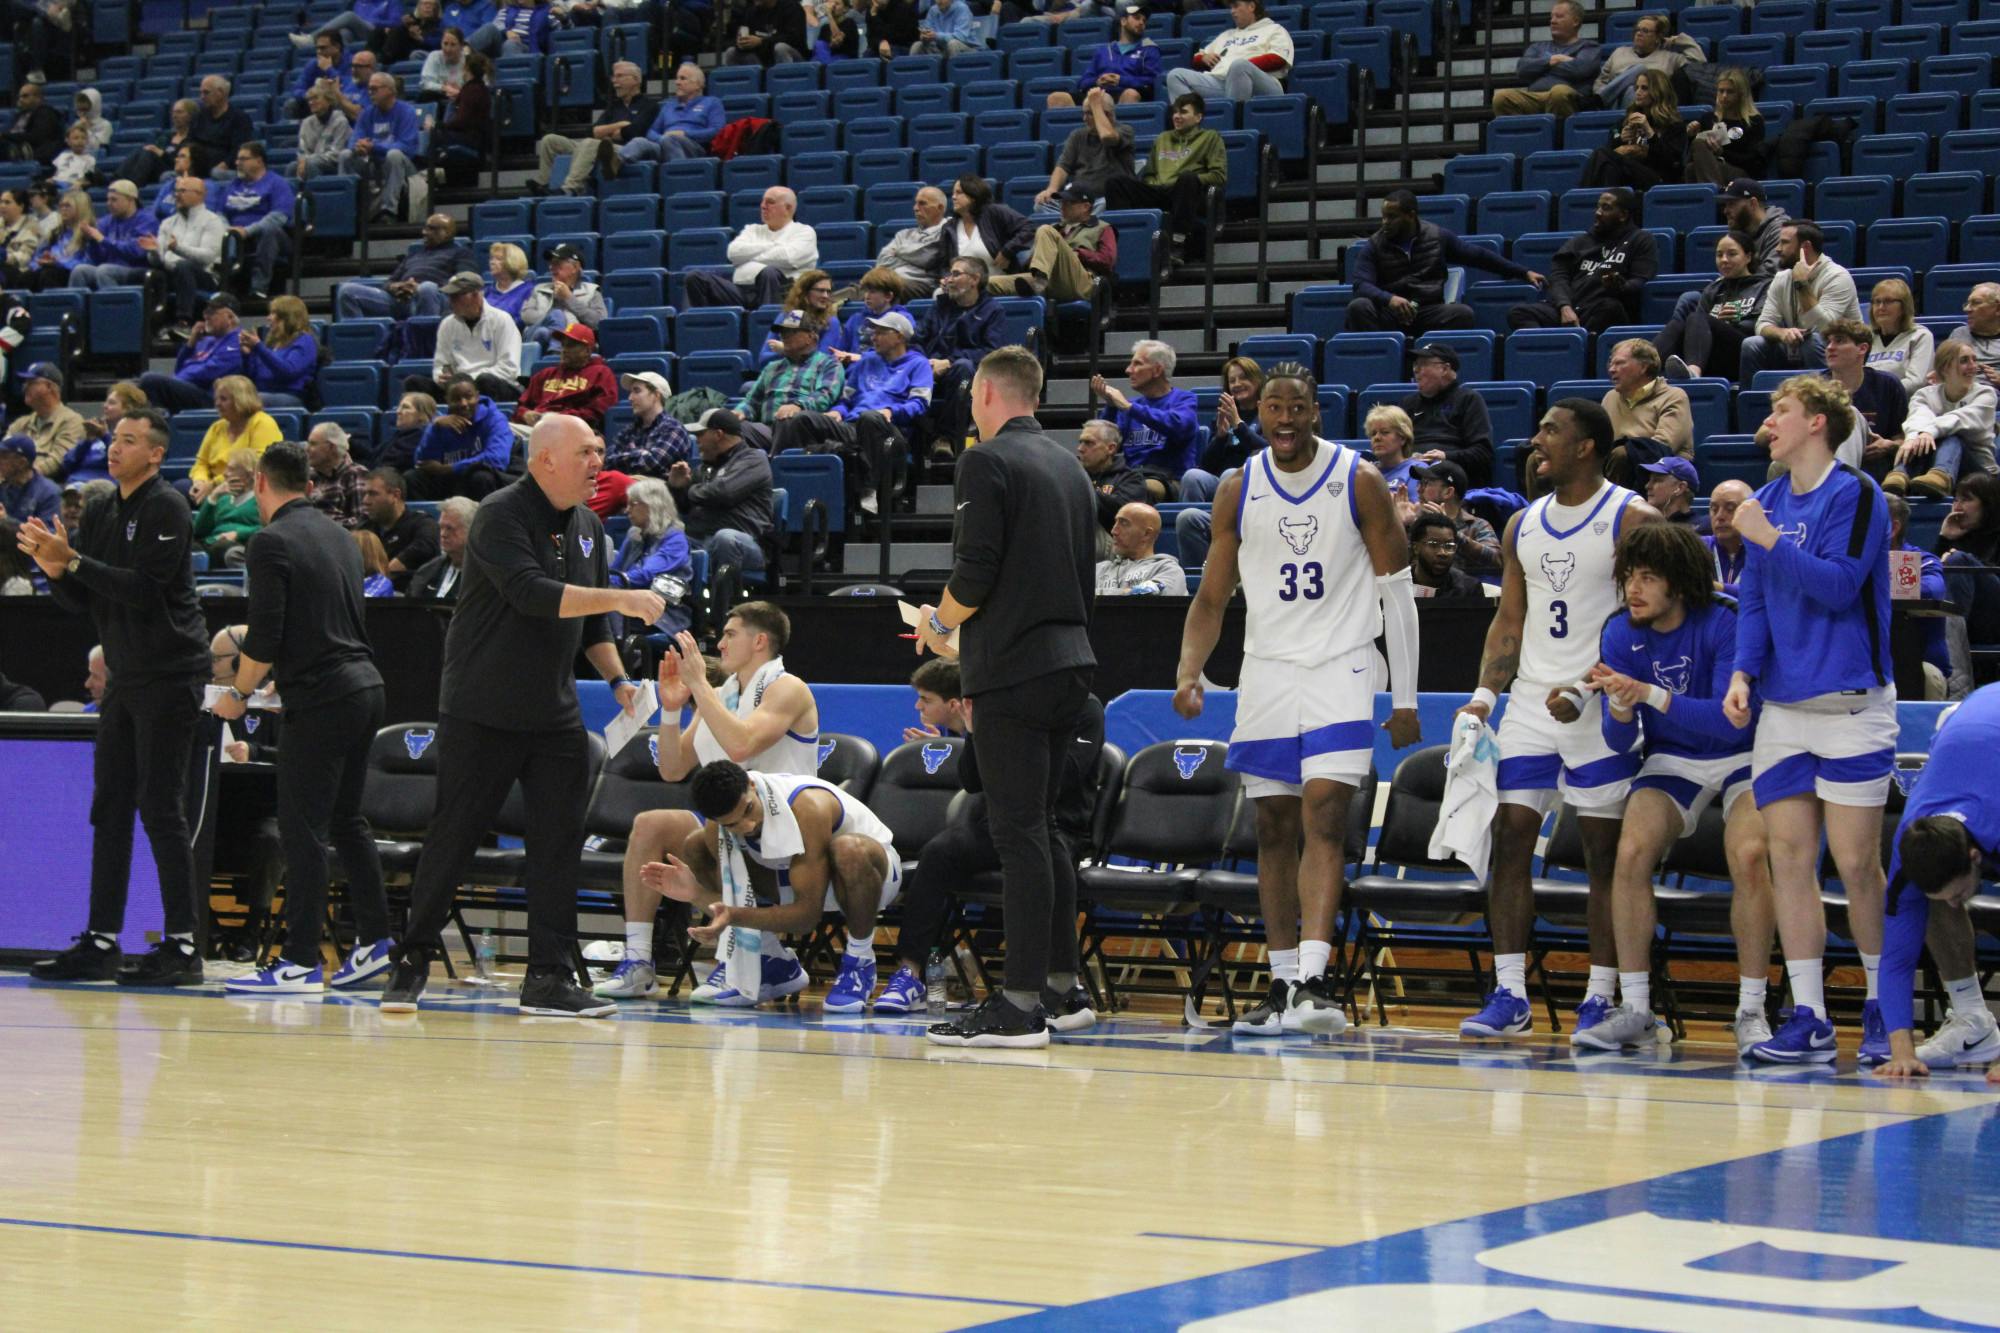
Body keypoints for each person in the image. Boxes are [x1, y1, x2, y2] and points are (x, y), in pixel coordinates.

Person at [379, 415, 662, 1016]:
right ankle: (411, 960)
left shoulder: (589, 526)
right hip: (482, 707)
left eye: (600, 451)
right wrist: (623, 596)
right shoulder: (500, 514)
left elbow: (592, 624)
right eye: (586, 452)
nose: (598, 462)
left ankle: (548, 977)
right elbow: (532, 594)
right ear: (546, 459)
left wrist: (617, 680)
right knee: (454, 837)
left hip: (554, 713)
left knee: (558, 844)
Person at [1173, 359, 1421, 1036]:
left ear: (1316, 411)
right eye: (1273, 408)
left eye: (1296, 407)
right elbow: (1212, 596)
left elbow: (1397, 592)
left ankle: (1313, 979)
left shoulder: (1358, 479)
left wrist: (1404, 696)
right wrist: (1189, 670)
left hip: (1343, 665)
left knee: (1325, 812)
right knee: (1273, 826)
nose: (1284, 419)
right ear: (1260, 414)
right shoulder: (1237, 486)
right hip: (1268, 671)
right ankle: (1282, 983)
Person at [1455, 398, 1659, 1041]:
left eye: (1551, 431)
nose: (1537, 440)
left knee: (1601, 854)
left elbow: (1652, 618)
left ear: (1587, 446)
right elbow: (1509, 619)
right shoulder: (1522, 523)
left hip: (1600, 704)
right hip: (1530, 705)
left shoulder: (1633, 517)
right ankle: (1510, 992)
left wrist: (1592, 686)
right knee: (1510, 834)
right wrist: (1484, 696)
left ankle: (1600, 995)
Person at [918, 346, 1098, 1049]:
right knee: (1044, 829)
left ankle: (1019, 1006)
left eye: (972, 395)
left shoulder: (985, 461)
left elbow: (975, 570)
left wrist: (938, 626)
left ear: (988, 392)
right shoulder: (1070, 466)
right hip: (1071, 662)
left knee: (1016, 831)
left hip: (1013, 668)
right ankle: (1061, 987)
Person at [1724, 374, 1894, 1065]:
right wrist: (1742, 672)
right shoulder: (1763, 501)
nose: (1769, 422)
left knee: (1855, 864)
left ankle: (1884, 1006)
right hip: (1784, 711)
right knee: (1789, 861)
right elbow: (1755, 603)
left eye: (1781, 410)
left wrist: (1768, 541)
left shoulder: (1856, 493)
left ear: (1818, 422)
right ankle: (1810, 1015)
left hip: (1852, 704)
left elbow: (1839, 586)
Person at [17, 408, 210, 986]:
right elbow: (85, 599)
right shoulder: (102, 508)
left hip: (171, 673)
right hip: (125, 678)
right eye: (114, 439)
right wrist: (55, 570)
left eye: (129, 440)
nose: (115, 448)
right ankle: (102, 940)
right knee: (110, 806)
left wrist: (73, 561)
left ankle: (182, 946)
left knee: (160, 806)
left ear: (156, 454)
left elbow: (145, 590)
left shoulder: (167, 506)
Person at [1569, 522, 1773, 1052]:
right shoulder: (1620, 631)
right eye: (1629, 577)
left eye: (1648, 578)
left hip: (1745, 754)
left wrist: (1648, 695)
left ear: (1679, 583)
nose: (1633, 589)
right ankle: (1638, 1009)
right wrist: (1620, 708)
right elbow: (1619, 742)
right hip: (1672, 758)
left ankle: (1752, 1009)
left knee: (1750, 854)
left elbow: (1728, 721)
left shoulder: (1726, 619)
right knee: (1631, 851)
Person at [211, 442, 395, 994]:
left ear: (260, 483)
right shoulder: (340, 535)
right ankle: (375, 944)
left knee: (302, 829)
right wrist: (282, 677)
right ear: (308, 485)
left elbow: (264, 634)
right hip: (366, 686)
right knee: (347, 822)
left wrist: (239, 693)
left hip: (323, 697)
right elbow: (326, 621)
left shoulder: (270, 541)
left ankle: (298, 961)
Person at [597, 604, 818, 1001]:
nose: (720, 644)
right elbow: (672, 768)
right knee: (652, 823)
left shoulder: (788, 687)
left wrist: (699, 685)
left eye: (730, 634)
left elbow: (742, 745)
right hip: (731, 828)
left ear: (760, 641)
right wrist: (670, 710)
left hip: (788, 834)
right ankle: (638, 960)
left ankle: (756, 956)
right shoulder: (722, 695)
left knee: (718, 826)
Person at [875, 686, 1105, 1018]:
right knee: (938, 852)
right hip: (999, 822)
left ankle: (1054, 985)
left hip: (1058, 824)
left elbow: (1067, 774)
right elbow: (972, 780)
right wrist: (974, 733)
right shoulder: (1001, 700)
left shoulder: (1083, 707)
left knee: (1038, 863)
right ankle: (910, 974)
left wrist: (1011, 754)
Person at [647, 758, 904, 1010]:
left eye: (748, 810)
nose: (748, 825)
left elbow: (806, 919)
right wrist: (695, 893)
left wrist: (734, 915)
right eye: (733, 824)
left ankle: (860, 961)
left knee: (848, 850)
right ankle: (771, 960)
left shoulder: (809, 807)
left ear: (751, 785)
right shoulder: (718, 825)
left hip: (870, 876)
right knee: (696, 845)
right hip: (797, 877)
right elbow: (730, 904)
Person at [1871, 686, 2000, 1080]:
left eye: (1959, 892)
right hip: (1970, 733)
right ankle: (1972, 1021)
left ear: (1975, 857)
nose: (1955, 903)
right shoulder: (1911, 847)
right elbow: (1895, 959)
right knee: (1929, 905)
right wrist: (1902, 1053)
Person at [772, 311, 933, 515]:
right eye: (873, 332)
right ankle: (789, 488)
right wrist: (837, 411)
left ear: (899, 337)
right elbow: (846, 399)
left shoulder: (919, 364)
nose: (873, 337)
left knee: (870, 417)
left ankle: (869, 489)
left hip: (890, 432)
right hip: (852, 426)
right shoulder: (866, 361)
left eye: (880, 333)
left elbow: (920, 403)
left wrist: (891, 411)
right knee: (800, 419)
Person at [1344, 189, 1542, 336]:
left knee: (1462, 314)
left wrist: (1523, 272)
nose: (1385, 223)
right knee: (1359, 306)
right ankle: (1385, 361)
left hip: (1427, 311)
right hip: (1391, 313)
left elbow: (1478, 256)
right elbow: (1361, 284)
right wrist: (1390, 299)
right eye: (1383, 217)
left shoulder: (1437, 237)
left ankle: (1434, 362)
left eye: (1392, 217)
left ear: (1410, 215)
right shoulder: (1375, 245)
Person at [1507, 188, 1657, 335]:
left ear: (1623, 215)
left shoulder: (1640, 239)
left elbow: (1640, 279)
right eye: (1598, 207)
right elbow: (1559, 277)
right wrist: (1565, 306)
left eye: (1606, 208)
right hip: (1570, 308)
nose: (1598, 213)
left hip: (1600, 310)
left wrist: (1621, 287)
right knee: (1518, 312)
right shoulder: (1579, 242)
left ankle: (1576, 343)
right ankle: (1554, 345)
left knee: (1610, 308)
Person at [1104, 91, 1226, 250]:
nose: (1177, 116)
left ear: (1198, 117)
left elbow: (1218, 176)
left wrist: (1194, 179)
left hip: (1186, 193)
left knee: (1187, 178)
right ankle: (1125, 242)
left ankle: (1178, 242)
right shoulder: (1162, 138)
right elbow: (1149, 174)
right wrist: (1154, 184)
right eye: (1175, 112)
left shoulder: (1210, 137)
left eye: (1183, 112)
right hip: (1159, 191)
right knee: (1116, 183)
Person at [1741, 221, 1860, 384]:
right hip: (1796, 348)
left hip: (1839, 348)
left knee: (1812, 341)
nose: (1777, 249)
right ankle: (1754, 398)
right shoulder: (1782, 278)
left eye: (1784, 243)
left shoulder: (1837, 277)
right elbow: (1762, 324)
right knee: (1751, 344)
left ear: (1805, 247)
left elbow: (1825, 328)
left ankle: (1826, 395)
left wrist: (1802, 285)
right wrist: (1782, 333)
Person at [919, 257, 1007, 459]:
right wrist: (923, 362)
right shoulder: (939, 307)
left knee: (963, 367)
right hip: (930, 370)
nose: (949, 279)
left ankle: (945, 439)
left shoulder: (992, 310)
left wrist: (949, 362)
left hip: (967, 376)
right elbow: (918, 340)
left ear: (974, 279)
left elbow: (991, 352)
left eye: (956, 274)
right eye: (949, 274)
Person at [1887, 339, 1995, 501]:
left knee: (1951, 437)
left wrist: (1928, 432)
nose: (1973, 366)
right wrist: (1913, 437)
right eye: (1964, 361)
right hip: (1928, 472)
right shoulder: (1924, 394)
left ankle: (1940, 475)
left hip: (1980, 476)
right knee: (1917, 438)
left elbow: (1960, 419)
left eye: (1974, 359)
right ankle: (1899, 476)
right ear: (1945, 368)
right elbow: (1918, 417)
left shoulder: (1985, 394)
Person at [1090, 340, 1198, 501]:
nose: (1128, 370)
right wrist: (1111, 406)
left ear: (1157, 370)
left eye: (1137, 364)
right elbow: (1106, 442)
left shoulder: (1185, 400)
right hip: (1131, 477)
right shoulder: (1131, 406)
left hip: (1168, 481)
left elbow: (1177, 425)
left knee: (1136, 488)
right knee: (1092, 488)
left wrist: (1130, 408)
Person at [672, 409, 776, 574]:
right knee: (664, 536)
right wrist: (677, 487)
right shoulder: (705, 467)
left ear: (718, 435)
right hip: (701, 540)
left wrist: (690, 490)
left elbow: (723, 493)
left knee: (725, 538)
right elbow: (686, 506)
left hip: (747, 543)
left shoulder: (753, 459)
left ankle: (725, 591)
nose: (697, 440)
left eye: (700, 434)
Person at [1658, 231, 1767, 385]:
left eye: (1732, 254)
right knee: (1678, 324)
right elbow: (1696, 329)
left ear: (1748, 257)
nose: (1724, 260)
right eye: (1719, 255)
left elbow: (1764, 325)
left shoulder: (1764, 286)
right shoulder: (1713, 289)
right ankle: (1643, 367)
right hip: (1712, 356)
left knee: (1697, 317)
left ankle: (1694, 372)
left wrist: (1732, 322)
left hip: (1744, 352)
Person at [683, 187, 818, 310]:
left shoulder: (804, 232)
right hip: (742, 290)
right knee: (695, 278)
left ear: (788, 208)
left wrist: (749, 259)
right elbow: (733, 253)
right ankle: (703, 326)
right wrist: (774, 246)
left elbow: (788, 258)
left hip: (783, 293)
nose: (763, 206)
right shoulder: (752, 230)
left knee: (769, 272)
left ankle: (767, 323)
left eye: (770, 202)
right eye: (763, 202)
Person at [533, 60, 657, 194]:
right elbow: (591, 131)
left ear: (636, 80)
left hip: (624, 151)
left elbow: (633, 132)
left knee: (590, 143)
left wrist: (606, 132)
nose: (614, 81)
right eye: (614, 77)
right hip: (597, 148)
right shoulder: (614, 107)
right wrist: (619, 125)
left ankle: (571, 188)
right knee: (550, 140)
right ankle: (543, 185)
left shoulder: (649, 105)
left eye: (619, 76)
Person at [735, 309, 846, 451]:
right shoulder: (771, 367)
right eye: (782, 332)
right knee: (728, 425)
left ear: (810, 336)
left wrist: (798, 406)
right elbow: (753, 401)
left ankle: (776, 461)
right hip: (767, 430)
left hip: (802, 430)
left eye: (791, 332)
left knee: (788, 419)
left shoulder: (829, 364)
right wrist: (740, 411)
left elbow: (825, 395)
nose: (783, 336)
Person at [1884, 493, 1954, 696]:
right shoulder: (1851, 563)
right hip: (1864, 664)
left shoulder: (1923, 561)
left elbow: (1933, 590)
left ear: (1893, 528)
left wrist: (1879, 584)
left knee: (1929, 675)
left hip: (1920, 663)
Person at [1599, 337, 1692, 489]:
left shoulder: (1673, 396)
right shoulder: (1610, 398)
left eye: (1619, 363)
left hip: (1664, 474)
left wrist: (1627, 449)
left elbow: (1663, 447)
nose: (1612, 369)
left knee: (1621, 455)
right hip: (1616, 469)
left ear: (1643, 367)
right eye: (1611, 363)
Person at [1399, 342, 1495, 489]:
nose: (1416, 370)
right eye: (1415, 365)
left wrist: (1446, 456)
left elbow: (1483, 453)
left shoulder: (1468, 399)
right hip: (1409, 472)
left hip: (1450, 477)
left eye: (1423, 364)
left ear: (1444, 369)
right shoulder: (1408, 404)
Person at [604, 477, 693, 635]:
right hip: (632, 603)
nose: (627, 511)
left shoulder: (675, 540)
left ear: (652, 504)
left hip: (663, 614)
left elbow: (646, 575)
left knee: (608, 604)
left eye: (632, 504)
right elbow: (615, 570)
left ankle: (616, 646)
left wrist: (607, 583)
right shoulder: (635, 535)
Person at [1823, 316, 1908, 477]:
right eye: (1828, 342)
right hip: (1823, 465)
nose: (1830, 347)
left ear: (1862, 348)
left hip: (1875, 468)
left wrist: (1889, 445)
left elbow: (1903, 438)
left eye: (1839, 341)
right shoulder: (1814, 388)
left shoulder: (1888, 385)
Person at [1003, 184, 1117, 304]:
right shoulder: (1056, 228)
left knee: (1045, 229)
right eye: (1061, 202)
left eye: (1069, 203)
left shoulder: (1102, 228)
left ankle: (1040, 282)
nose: (1062, 207)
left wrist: (1079, 253)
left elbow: (1107, 260)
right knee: (993, 282)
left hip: (1081, 282)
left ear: (1085, 206)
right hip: (1051, 279)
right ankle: (1039, 282)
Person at [1163, 0, 1295, 102]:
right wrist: (1204, 58)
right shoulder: (1227, 35)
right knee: (1175, 75)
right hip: (1222, 83)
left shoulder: (1274, 29)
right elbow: (1197, 59)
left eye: (1236, 6)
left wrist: (1237, 67)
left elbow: (1278, 59)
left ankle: (1235, 119)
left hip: (1263, 84)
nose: (1232, 11)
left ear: (1251, 6)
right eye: (1231, 7)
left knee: (1239, 65)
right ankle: (1191, 123)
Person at [410, 375, 516, 501]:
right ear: (447, 400)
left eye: (469, 397)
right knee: (412, 478)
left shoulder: (495, 419)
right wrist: (434, 427)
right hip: (451, 481)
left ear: (477, 396)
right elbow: (422, 463)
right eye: (456, 399)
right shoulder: (441, 424)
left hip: (483, 480)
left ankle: (485, 514)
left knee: (481, 477)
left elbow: (497, 459)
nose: (464, 404)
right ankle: (424, 514)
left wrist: (450, 468)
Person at [1491, 0, 1600, 120]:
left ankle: (1559, 131)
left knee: (1558, 92)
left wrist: (1541, 67)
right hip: (1535, 97)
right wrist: (1552, 60)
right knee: (1502, 97)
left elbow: (1580, 69)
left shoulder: (1589, 47)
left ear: (1575, 21)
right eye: (1551, 17)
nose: (1552, 21)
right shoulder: (1537, 47)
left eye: (1559, 16)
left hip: (1570, 99)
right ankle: (1524, 132)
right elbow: (1522, 69)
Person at [1180, 356, 1266, 505]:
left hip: (1256, 481)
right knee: (1192, 476)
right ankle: (1192, 516)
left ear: (1257, 380)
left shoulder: (1268, 413)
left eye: (1243, 378)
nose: (1237, 384)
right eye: (1232, 381)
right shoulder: (1224, 414)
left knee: (1231, 474)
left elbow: (1266, 451)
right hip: (1221, 480)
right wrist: (1220, 437)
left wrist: (1238, 425)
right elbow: (1206, 466)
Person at [339, 73, 424, 223]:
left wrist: (374, 147)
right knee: (346, 155)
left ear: (390, 90)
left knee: (394, 154)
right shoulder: (366, 114)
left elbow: (406, 146)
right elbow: (354, 141)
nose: (370, 92)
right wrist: (358, 147)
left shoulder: (406, 111)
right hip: (375, 164)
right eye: (369, 89)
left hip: (403, 167)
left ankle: (389, 211)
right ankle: (346, 209)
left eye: (374, 89)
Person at [426, 271, 523, 401]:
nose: (451, 301)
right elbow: (440, 364)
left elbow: (508, 369)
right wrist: (441, 377)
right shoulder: (447, 324)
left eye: (457, 296)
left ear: (476, 295)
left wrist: (467, 380)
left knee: (485, 381)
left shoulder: (502, 320)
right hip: (458, 386)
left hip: (497, 384)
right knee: (415, 383)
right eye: (450, 296)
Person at [1581, 71, 1685, 192]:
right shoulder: (1626, 120)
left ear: (1658, 92)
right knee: (1606, 165)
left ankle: (1584, 197)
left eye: (1644, 88)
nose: (1637, 92)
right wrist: (1620, 139)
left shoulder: (1674, 125)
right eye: (1637, 87)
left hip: (1658, 179)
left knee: (1601, 153)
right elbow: (1609, 153)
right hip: (1629, 177)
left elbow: (1671, 162)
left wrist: (1650, 133)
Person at [216, 142, 294, 302]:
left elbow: (278, 217)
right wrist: (228, 229)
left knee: (270, 230)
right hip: (236, 236)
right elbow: (220, 213)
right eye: (237, 159)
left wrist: (247, 231)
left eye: (243, 159)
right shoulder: (233, 185)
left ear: (259, 161)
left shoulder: (277, 183)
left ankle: (259, 288)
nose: (237, 163)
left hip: (269, 237)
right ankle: (224, 285)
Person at [187, 376, 282, 506]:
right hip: (212, 484)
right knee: (183, 488)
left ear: (241, 400)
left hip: (246, 484)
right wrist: (200, 482)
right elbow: (201, 463)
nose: (217, 404)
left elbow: (259, 465)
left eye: (223, 399)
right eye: (216, 399)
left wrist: (214, 484)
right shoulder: (217, 427)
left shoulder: (263, 423)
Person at [151, 174, 227, 337]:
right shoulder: (167, 223)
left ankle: (184, 322)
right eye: (176, 191)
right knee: (151, 274)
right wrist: (153, 253)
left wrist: (177, 248)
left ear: (200, 194)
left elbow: (207, 257)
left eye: (183, 191)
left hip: (205, 275)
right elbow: (161, 259)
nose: (177, 195)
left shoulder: (212, 221)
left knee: (184, 266)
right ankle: (151, 328)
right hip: (173, 272)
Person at [511, 323, 617, 437]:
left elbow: (599, 411)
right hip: (537, 427)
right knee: (502, 429)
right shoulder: (546, 374)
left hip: (574, 431)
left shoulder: (600, 373)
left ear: (587, 350)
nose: (564, 350)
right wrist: (525, 414)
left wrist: (560, 417)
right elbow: (521, 406)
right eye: (563, 345)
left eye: (570, 346)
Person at [1036, 89, 1136, 209]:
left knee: (1107, 204)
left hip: (1108, 199)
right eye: (1084, 113)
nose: (1084, 118)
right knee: (1041, 205)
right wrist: (1051, 189)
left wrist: (1096, 105)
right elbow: (1063, 167)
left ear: (1108, 115)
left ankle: (1083, 218)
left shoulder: (1125, 130)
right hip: (1079, 200)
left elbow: (1107, 137)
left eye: (1089, 113)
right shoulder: (1077, 136)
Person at [1051, 3, 1159, 106]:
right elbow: (1083, 82)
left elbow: (1152, 82)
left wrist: (1121, 80)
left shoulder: (1149, 49)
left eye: (1144, 20)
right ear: (1123, 21)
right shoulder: (1103, 50)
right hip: (1099, 93)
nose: (1141, 23)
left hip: (1123, 93)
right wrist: (1097, 81)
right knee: (1057, 98)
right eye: (1137, 18)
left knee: (1130, 94)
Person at [616, 63, 721, 168]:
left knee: (671, 139)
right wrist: (662, 139)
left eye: (682, 78)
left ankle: (678, 174)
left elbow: (717, 131)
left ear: (698, 84)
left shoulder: (712, 102)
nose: (677, 82)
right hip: (664, 145)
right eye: (677, 78)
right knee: (639, 141)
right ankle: (615, 163)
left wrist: (684, 134)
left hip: (694, 149)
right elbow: (651, 132)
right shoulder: (668, 105)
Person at [1592, 10, 1702, 111]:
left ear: (1658, 37)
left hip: (1653, 107)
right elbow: (1601, 80)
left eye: (1645, 31)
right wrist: (1600, 92)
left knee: (1637, 76)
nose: (1639, 33)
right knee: (1636, 76)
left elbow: (1699, 62)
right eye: (1637, 30)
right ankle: (1601, 100)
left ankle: (1599, 100)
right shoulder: (1619, 52)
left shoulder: (1670, 58)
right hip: (1614, 104)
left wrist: (1678, 40)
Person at [1407, 459, 1500, 574]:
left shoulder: (1477, 525)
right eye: (1419, 483)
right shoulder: (1415, 523)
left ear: (1448, 492)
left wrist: (1452, 531)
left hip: (1464, 585)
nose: (1419, 490)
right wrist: (1401, 526)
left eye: (1426, 483)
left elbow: (1496, 559)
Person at [1938, 472, 2000, 644]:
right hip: (1971, 622)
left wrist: (1965, 558)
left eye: (1966, 499)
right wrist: (1945, 538)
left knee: (1958, 561)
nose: (1957, 507)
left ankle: (1951, 653)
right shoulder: (1959, 536)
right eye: (1956, 500)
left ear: (1988, 504)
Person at [945, 175, 1036, 286]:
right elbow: (943, 264)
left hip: (999, 283)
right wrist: (945, 279)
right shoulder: (949, 227)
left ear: (973, 195)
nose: (953, 197)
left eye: (959, 193)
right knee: (939, 292)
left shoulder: (994, 212)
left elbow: (1029, 228)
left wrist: (1007, 251)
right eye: (953, 193)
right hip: (963, 288)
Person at [604, 371, 694, 484]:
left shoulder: (674, 429)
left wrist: (627, 456)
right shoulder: (629, 431)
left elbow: (653, 463)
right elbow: (608, 461)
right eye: (631, 392)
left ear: (656, 395)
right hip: (626, 489)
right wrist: (642, 453)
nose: (630, 398)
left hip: (659, 492)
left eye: (637, 391)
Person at [360, 467, 441, 587]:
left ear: (395, 495)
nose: (365, 500)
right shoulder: (365, 526)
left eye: (373, 494)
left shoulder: (422, 523)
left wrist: (383, 576)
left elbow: (425, 547)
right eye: (364, 494)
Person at [868, 187, 951, 300]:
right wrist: (917, 264)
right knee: (861, 288)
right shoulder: (903, 235)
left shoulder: (947, 231)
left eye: (922, 203)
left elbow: (927, 257)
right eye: (916, 203)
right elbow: (883, 260)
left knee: (885, 290)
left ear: (940, 208)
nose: (915, 208)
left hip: (923, 284)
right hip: (893, 280)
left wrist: (899, 252)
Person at [1687, 68, 1766, 186]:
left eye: (1730, 92)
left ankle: (1712, 191)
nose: (1724, 96)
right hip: (1712, 168)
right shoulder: (1708, 119)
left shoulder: (1753, 121)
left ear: (1741, 94)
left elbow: (1754, 162)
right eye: (1721, 91)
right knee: (1691, 165)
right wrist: (1691, 136)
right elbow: (1694, 157)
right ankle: (1716, 190)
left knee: (1695, 165)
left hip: (1740, 173)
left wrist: (1722, 152)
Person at [8, 360, 84, 479]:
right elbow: (3, 453)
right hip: (13, 482)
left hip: (48, 484)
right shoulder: (20, 423)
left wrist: (25, 476)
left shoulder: (71, 421)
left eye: (31, 382)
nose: (25, 387)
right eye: (25, 383)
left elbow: (59, 460)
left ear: (49, 387)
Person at [240, 297, 318, 407]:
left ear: (287, 317)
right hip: (264, 393)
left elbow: (288, 371)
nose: (268, 318)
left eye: (273, 313)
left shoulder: (305, 341)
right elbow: (254, 377)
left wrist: (259, 347)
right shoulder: (271, 343)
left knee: (248, 400)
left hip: (291, 396)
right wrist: (248, 355)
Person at [191, 448, 262, 567]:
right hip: (212, 543)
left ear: (249, 474)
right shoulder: (222, 498)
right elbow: (198, 531)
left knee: (222, 548)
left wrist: (238, 534)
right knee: (187, 546)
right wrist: (213, 497)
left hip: (237, 546)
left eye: (232, 469)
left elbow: (268, 527)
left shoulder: (260, 499)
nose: (225, 473)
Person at [1096, 501, 1186, 594]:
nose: (1114, 531)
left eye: (1124, 523)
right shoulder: (1099, 569)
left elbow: (1147, 597)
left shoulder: (1167, 569)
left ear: (1147, 534)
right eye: (1116, 522)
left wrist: (1095, 594)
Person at [1077, 419, 1149, 533]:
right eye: (1080, 442)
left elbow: (1124, 513)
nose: (1080, 449)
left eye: (1089, 443)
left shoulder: (1130, 478)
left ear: (1110, 448)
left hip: (1112, 537)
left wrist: (1079, 491)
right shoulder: (1075, 475)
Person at [1866, 278, 1934, 395]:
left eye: (1888, 301)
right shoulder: (1866, 337)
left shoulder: (1920, 336)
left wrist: (1878, 393)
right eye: (1877, 302)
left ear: (1904, 307)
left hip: (1906, 402)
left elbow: (1916, 382)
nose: (1881, 307)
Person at [407, 494, 477, 600]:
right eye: (441, 527)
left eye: (449, 528)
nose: (443, 534)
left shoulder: (487, 575)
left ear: (471, 530)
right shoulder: (427, 571)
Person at [1408, 510, 1488, 600]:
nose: (1442, 553)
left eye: (1449, 546)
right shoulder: (1399, 585)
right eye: (1433, 544)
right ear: (1416, 548)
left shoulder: (1469, 589)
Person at [306, 422, 370, 528]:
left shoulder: (355, 474)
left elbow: (361, 523)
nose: (307, 449)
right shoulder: (309, 475)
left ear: (331, 447)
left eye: (313, 444)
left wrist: (323, 525)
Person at [189, 76, 256, 178]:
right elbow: (190, 143)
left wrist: (225, 164)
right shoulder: (198, 117)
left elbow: (240, 149)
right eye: (201, 93)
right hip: (200, 168)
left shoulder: (240, 118)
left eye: (206, 93)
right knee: (169, 175)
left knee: (216, 173)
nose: (202, 97)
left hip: (228, 169)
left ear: (220, 93)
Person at [0, 433, 60, 545]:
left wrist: (6, 522)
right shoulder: (3, 486)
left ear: (22, 462)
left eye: (4, 457)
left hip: (29, 553)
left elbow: (47, 539)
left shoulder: (49, 492)